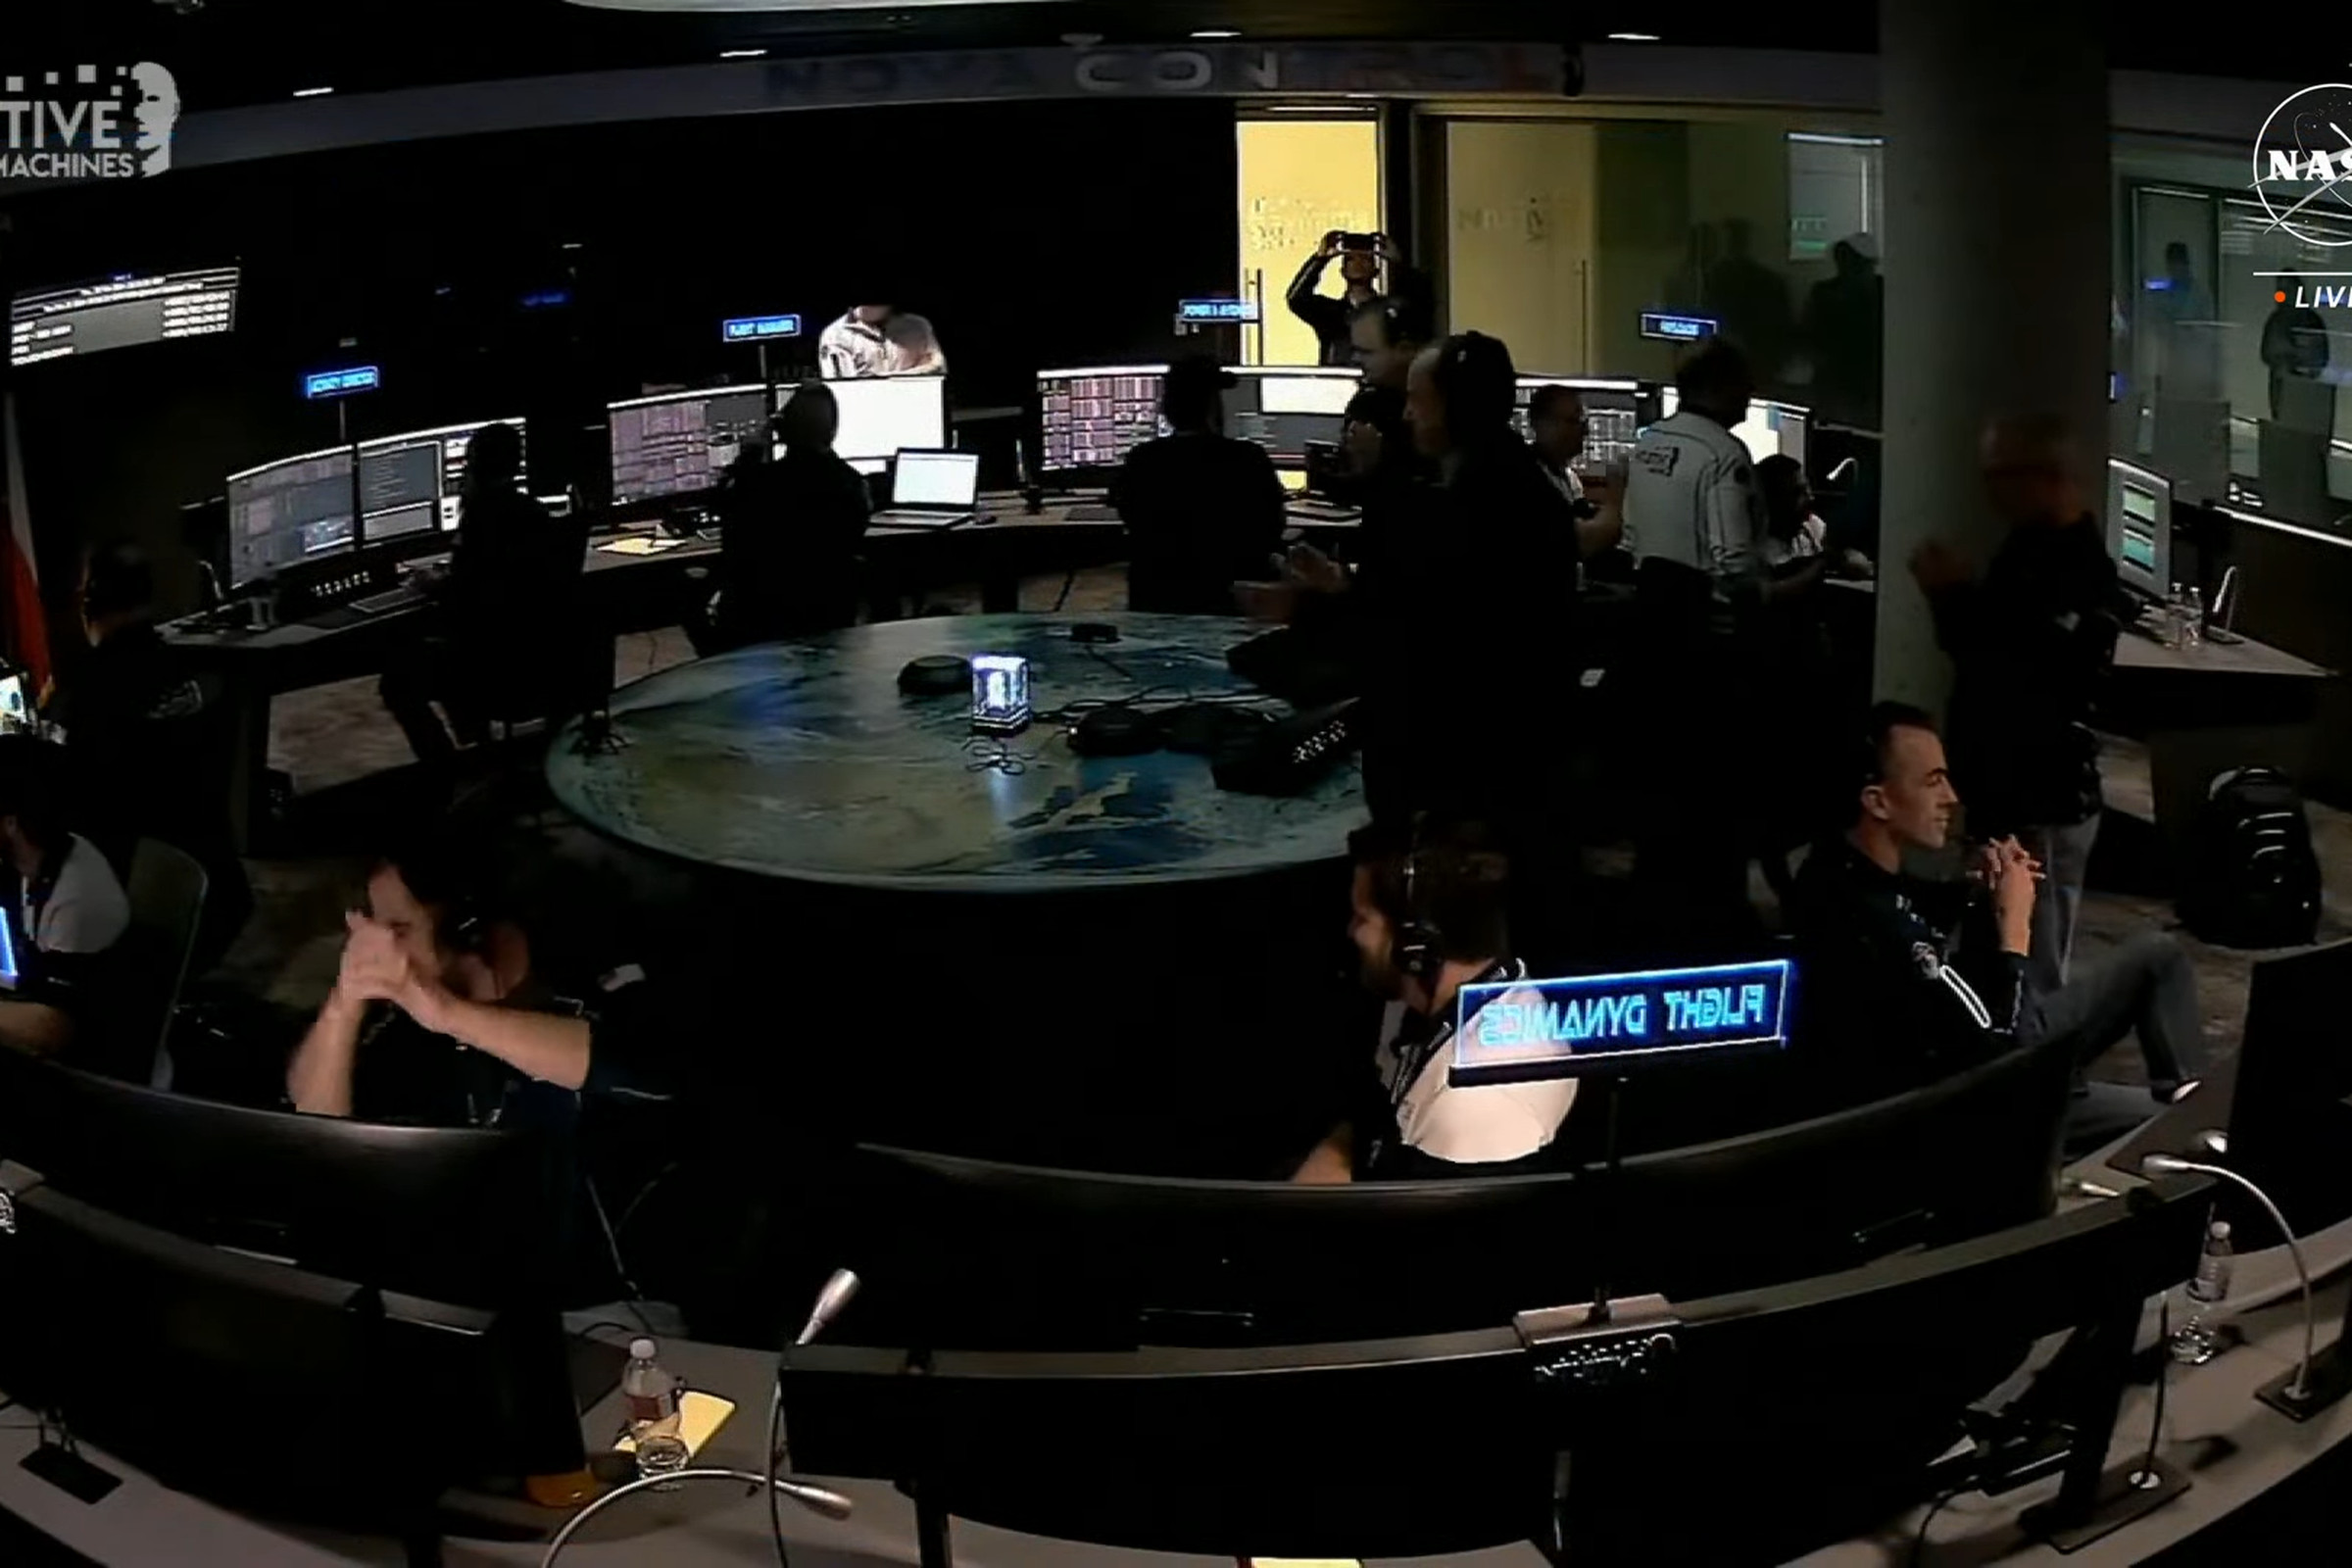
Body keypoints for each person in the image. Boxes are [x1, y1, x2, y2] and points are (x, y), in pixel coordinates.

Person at [1788, 704, 2204, 1120]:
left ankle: (2189, 1114)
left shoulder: (1836, 869)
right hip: (1983, 1103)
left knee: (2158, 957)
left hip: (1977, 1061)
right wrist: (2014, 928)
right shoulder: (1879, 924)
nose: (1950, 798)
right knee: (2168, 1117)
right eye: (1933, 782)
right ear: (1877, 802)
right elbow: (2004, 1052)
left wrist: (1983, 894)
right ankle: (2194, 1128)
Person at [1911, 414, 2125, 998]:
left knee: (2030, 957)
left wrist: (1954, 596)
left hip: (2043, 797)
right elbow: (1983, 654)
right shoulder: (2025, 549)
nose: (1990, 491)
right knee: (1990, 949)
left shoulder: (2077, 570)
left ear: (2045, 476)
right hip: (2003, 794)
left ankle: (2042, 1073)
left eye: (2002, 475)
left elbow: (2026, 675)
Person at [287, 834, 670, 1127]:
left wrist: (447, 1012)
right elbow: (317, 1130)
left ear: (463, 926)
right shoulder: (395, 1027)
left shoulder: (579, 957)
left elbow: (651, 1074)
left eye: (401, 929)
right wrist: (343, 1003)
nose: (383, 947)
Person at [1295, 818, 1573, 1182]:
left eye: (1362, 917)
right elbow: (1373, 1114)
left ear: (1415, 946)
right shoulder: (1412, 994)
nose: (1351, 931)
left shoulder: (1479, 1105)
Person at [1620, 339, 1775, 947]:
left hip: (1652, 647)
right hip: (1712, 656)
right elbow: (1733, 559)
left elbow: (1634, 536)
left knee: (1665, 795)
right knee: (1715, 803)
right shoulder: (1724, 456)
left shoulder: (1649, 443)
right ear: (1722, 387)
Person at [48, 540, 252, 971]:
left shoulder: (82, 698)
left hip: (142, 912)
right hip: (221, 893)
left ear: (89, 602)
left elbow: (60, 814)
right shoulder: (202, 664)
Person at [378, 423, 589, 764]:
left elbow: (465, 599)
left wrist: (433, 581)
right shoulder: (538, 516)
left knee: (398, 678)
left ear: (472, 467)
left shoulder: (480, 517)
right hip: (546, 671)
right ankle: (487, 750)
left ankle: (447, 770)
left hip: (492, 678)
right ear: (517, 465)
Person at [1109, 356, 1288, 615]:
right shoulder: (1248, 459)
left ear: (1167, 408)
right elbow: (1274, 528)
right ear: (1213, 408)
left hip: (1156, 607)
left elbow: (1126, 514)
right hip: (1231, 610)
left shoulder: (1142, 459)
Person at [711, 382, 873, 648]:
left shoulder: (754, 485)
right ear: (833, 431)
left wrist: (751, 451)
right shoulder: (853, 486)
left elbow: (721, 505)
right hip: (825, 619)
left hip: (759, 621)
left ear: (782, 431)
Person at [0, 736, 129, 1061]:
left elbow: (50, 1029)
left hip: (81, 1066)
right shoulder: (37, 852)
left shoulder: (76, 899)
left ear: (11, 823)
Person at [1288, 231, 1425, 368]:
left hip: (1378, 379)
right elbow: (1297, 299)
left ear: (1376, 271)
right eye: (1351, 259)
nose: (1358, 264)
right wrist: (1320, 259)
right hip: (1337, 381)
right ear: (1343, 271)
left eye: (1365, 259)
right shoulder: (1330, 313)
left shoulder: (1388, 310)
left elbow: (1418, 304)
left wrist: (1397, 264)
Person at [1528, 383, 1624, 564]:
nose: (1585, 432)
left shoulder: (1566, 476)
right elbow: (1586, 542)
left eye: (1584, 422)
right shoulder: (1530, 479)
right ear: (1541, 424)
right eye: (1574, 421)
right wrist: (1616, 496)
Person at [1800, 233, 1884, 426]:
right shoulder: (1824, 294)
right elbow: (1810, 339)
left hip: (1868, 386)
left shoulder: (1883, 292)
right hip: (1837, 387)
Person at [2261, 272, 2332, 426]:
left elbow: (2321, 359)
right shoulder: (2275, 321)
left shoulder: (2311, 321)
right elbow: (2266, 353)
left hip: (2305, 391)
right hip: (2281, 389)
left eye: (2287, 289)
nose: (2282, 295)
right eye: (2280, 290)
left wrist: (2297, 356)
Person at [818, 304, 947, 379]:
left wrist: (886, 378)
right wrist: (919, 370)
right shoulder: (835, 334)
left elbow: (938, 368)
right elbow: (845, 388)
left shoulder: (917, 325)